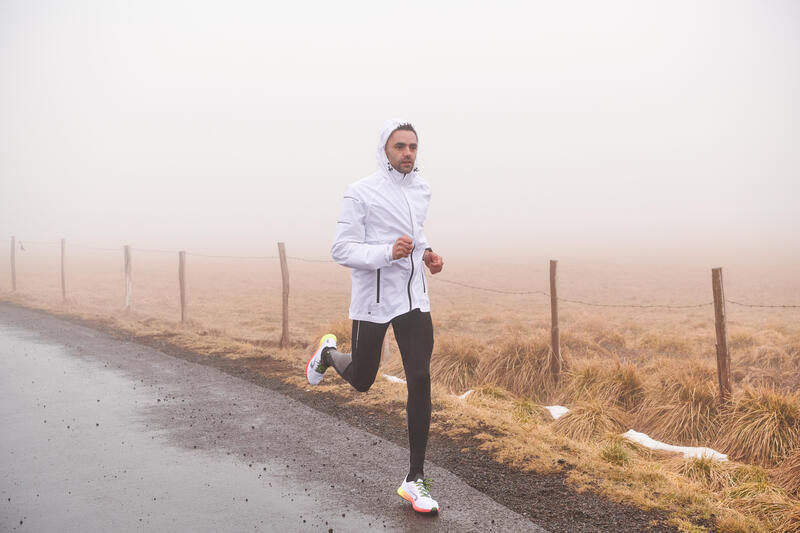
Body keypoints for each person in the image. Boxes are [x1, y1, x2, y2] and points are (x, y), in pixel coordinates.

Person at [305, 119, 444, 514]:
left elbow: (416, 231)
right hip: (375, 299)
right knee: (364, 379)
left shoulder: (422, 188)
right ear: (385, 149)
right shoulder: (361, 192)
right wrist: (387, 252)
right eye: (400, 146)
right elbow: (341, 249)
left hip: (414, 298)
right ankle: (329, 356)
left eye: (413, 147)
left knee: (419, 377)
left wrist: (428, 253)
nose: (407, 154)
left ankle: (415, 479)